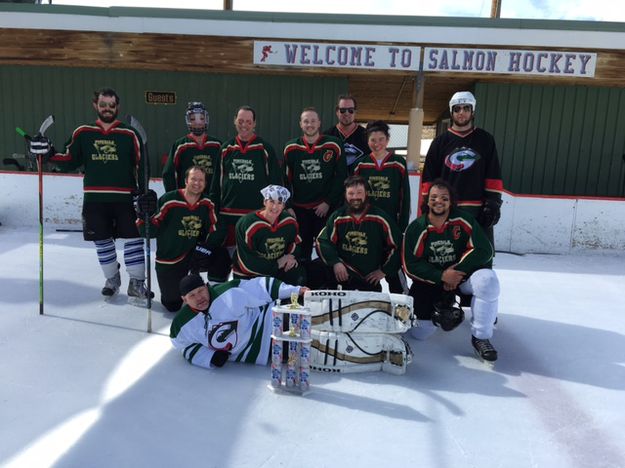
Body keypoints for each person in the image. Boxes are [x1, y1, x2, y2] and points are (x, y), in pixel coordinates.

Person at [29, 87, 150, 300]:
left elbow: (142, 165)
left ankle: (137, 283)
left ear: (117, 107)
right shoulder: (83, 133)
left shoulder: (129, 134)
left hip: (125, 198)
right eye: (103, 105)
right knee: (102, 241)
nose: (107, 109)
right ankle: (112, 279)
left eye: (111, 105)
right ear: (96, 105)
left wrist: (143, 193)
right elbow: (69, 160)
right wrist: (47, 154)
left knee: (134, 238)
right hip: (95, 199)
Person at [402, 179, 500, 362]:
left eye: (444, 198)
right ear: (427, 200)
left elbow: (485, 250)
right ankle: (440, 309)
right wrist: (442, 276)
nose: (438, 201)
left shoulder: (463, 220)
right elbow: (411, 265)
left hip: (462, 277)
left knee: (488, 281)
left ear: (451, 201)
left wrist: (456, 273)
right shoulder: (417, 228)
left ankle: (481, 336)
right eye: (434, 197)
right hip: (431, 281)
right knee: (420, 333)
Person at [136, 166, 230, 312]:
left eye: (201, 180)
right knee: (172, 305)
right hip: (169, 258)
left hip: (194, 255)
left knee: (221, 255)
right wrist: (143, 217)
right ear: (186, 181)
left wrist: (206, 247)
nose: (197, 183)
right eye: (193, 179)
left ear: (205, 183)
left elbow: (218, 228)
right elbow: (149, 232)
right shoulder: (169, 200)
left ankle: (213, 292)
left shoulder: (207, 203)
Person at [170, 273, 308, 369]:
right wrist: (209, 357)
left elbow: (259, 287)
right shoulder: (181, 324)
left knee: (304, 313)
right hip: (264, 351)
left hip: (268, 321)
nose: (199, 297)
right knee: (305, 350)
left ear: (206, 287)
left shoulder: (228, 292)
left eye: (200, 291)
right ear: (184, 299)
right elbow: (184, 346)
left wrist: (295, 290)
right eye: (192, 295)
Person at [421, 91, 504, 246]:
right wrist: (427, 203)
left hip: (477, 210)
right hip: (446, 208)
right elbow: (429, 178)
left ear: (472, 111)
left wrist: (493, 203)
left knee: (479, 259)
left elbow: (493, 174)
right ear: (452, 112)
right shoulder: (440, 142)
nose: (461, 113)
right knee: (446, 256)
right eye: (457, 109)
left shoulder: (485, 140)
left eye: (466, 108)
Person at [209, 105, 282, 249]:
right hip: (228, 216)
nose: (244, 125)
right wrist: (214, 211)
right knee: (226, 260)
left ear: (254, 124)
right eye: (241, 121)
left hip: (256, 216)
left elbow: (275, 184)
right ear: (234, 121)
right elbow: (216, 184)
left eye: (249, 122)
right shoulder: (225, 149)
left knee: (252, 260)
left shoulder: (265, 148)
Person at [315, 175, 401, 292]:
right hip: (342, 277)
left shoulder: (381, 218)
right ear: (345, 195)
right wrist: (335, 262)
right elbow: (323, 241)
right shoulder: (338, 217)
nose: (355, 197)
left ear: (366, 193)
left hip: (369, 279)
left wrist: (384, 271)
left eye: (359, 192)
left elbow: (397, 246)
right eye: (351, 193)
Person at [353, 120, 411, 293]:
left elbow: (405, 196)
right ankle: (370, 300)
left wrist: (401, 225)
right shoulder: (361, 164)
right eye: (373, 140)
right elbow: (354, 196)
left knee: (393, 265)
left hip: (391, 223)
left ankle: (402, 302)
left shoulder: (397, 163)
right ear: (367, 141)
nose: (377, 143)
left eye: (381, 139)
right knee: (370, 264)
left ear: (387, 140)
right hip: (369, 225)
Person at [283, 107, 346, 261]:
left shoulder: (333, 145)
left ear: (319, 123)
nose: (309, 124)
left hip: (324, 210)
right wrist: (289, 205)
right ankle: (302, 283)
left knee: (325, 251)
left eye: (312, 121)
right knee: (300, 254)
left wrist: (328, 201)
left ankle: (326, 284)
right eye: (306, 121)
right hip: (300, 210)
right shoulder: (291, 148)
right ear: (300, 124)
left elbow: (342, 177)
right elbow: (284, 179)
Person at [233, 184, 306, 286]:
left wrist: (291, 256)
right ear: (264, 202)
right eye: (271, 201)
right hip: (250, 274)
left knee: (299, 276)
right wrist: (276, 264)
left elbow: (296, 243)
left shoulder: (289, 221)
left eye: (279, 203)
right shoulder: (247, 224)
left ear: (284, 206)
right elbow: (247, 261)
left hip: (277, 269)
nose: (275, 207)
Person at [162, 102, 221, 196]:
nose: (198, 122)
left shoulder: (217, 145)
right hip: (187, 202)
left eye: (201, 118)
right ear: (187, 120)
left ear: (206, 119)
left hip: (212, 200)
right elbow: (169, 174)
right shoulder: (180, 146)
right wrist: (173, 197)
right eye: (193, 119)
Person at [323, 95, 369, 175]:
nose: (346, 113)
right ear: (337, 112)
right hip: (334, 184)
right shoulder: (326, 136)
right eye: (342, 110)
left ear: (355, 112)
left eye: (350, 110)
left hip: (359, 184)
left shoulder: (367, 135)